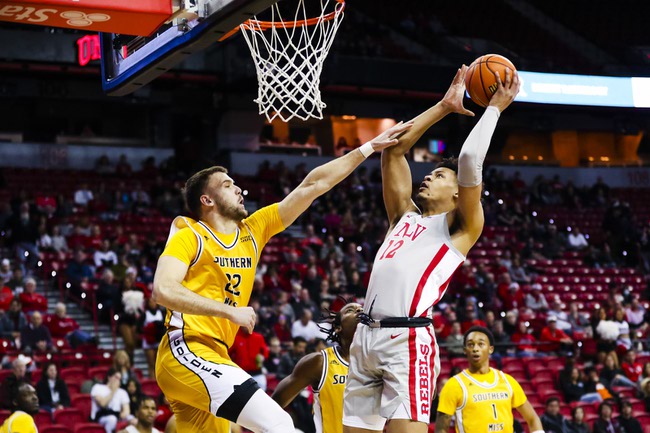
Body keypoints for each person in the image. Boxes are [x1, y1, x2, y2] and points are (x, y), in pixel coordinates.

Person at [152, 120, 413, 433]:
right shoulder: (190, 234)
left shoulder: (253, 230)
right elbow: (163, 290)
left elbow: (313, 186)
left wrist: (369, 147)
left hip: (214, 355)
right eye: (225, 184)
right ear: (205, 201)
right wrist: (228, 311)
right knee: (278, 424)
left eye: (235, 182)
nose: (237, 188)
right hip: (186, 349)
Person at [344, 66, 520, 433]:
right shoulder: (403, 217)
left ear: (458, 193)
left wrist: (494, 109)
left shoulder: (460, 227)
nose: (428, 175)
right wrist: (443, 106)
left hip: (406, 340)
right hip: (364, 338)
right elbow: (393, 151)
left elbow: (470, 161)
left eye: (439, 175)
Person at [272, 302, 362, 433]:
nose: (359, 312)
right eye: (351, 310)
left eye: (362, 310)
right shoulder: (319, 362)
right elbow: (274, 404)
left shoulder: (377, 363)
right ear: (338, 327)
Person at [435, 326, 543, 433]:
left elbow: (533, 418)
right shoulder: (453, 385)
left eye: (481, 344)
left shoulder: (507, 381)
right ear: (464, 350)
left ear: (490, 349)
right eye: (470, 345)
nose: (475, 349)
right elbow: (441, 429)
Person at [91, 368, 131, 433]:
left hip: (117, 416)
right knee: (112, 419)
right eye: (116, 377)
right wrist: (113, 391)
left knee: (134, 420)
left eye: (119, 379)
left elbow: (127, 411)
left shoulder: (122, 392)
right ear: (109, 377)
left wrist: (123, 416)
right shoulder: (98, 387)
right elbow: (103, 404)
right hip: (102, 416)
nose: (118, 380)